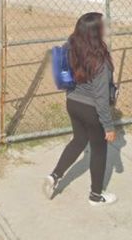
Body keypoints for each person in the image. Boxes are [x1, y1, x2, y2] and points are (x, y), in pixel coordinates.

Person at [43, 12, 118, 205]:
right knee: (99, 150)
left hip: (73, 103)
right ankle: (96, 196)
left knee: (79, 140)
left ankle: (54, 176)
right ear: (95, 32)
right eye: (104, 25)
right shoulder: (100, 61)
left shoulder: (71, 47)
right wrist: (108, 126)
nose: (107, 28)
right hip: (92, 110)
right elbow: (101, 98)